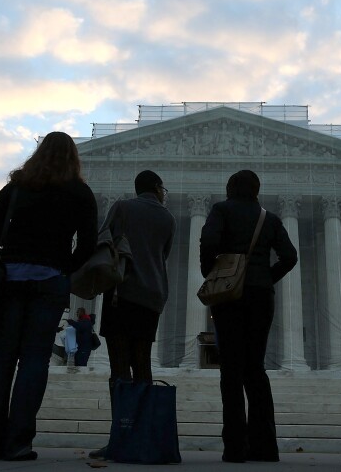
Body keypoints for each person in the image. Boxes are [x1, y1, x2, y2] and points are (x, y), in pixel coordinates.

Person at [0, 132, 98, 462]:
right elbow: (87, 244)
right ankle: (18, 442)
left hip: (10, 278)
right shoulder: (79, 192)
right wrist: (63, 268)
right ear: (73, 157)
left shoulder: (16, 187)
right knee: (34, 359)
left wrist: (9, 254)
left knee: (0, 358)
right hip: (49, 279)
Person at [199, 169, 297, 463]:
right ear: (257, 191)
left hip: (230, 295)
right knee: (255, 368)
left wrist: (213, 275)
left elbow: (208, 242)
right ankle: (265, 446)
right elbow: (290, 257)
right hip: (260, 295)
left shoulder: (221, 210)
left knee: (230, 369)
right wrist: (266, 277)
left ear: (230, 189)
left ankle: (235, 447)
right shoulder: (270, 218)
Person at [90, 170, 176, 460]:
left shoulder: (123, 207)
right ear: (156, 188)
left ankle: (121, 436)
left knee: (119, 368)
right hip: (151, 297)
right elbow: (163, 255)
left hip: (123, 293)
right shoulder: (167, 217)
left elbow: (104, 243)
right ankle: (144, 437)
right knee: (142, 367)